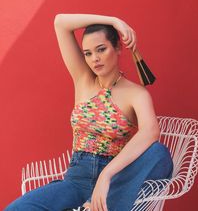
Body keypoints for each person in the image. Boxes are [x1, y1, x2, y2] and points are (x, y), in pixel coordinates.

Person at [4, 14, 174, 211]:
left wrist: (106, 175)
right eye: (88, 53)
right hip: (76, 180)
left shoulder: (136, 94)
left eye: (101, 49)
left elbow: (150, 132)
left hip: (115, 180)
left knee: (159, 153)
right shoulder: (83, 79)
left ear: (118, 48)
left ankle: (94, 205)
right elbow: (60, 22)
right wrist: (114, 21)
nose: (95, 59)